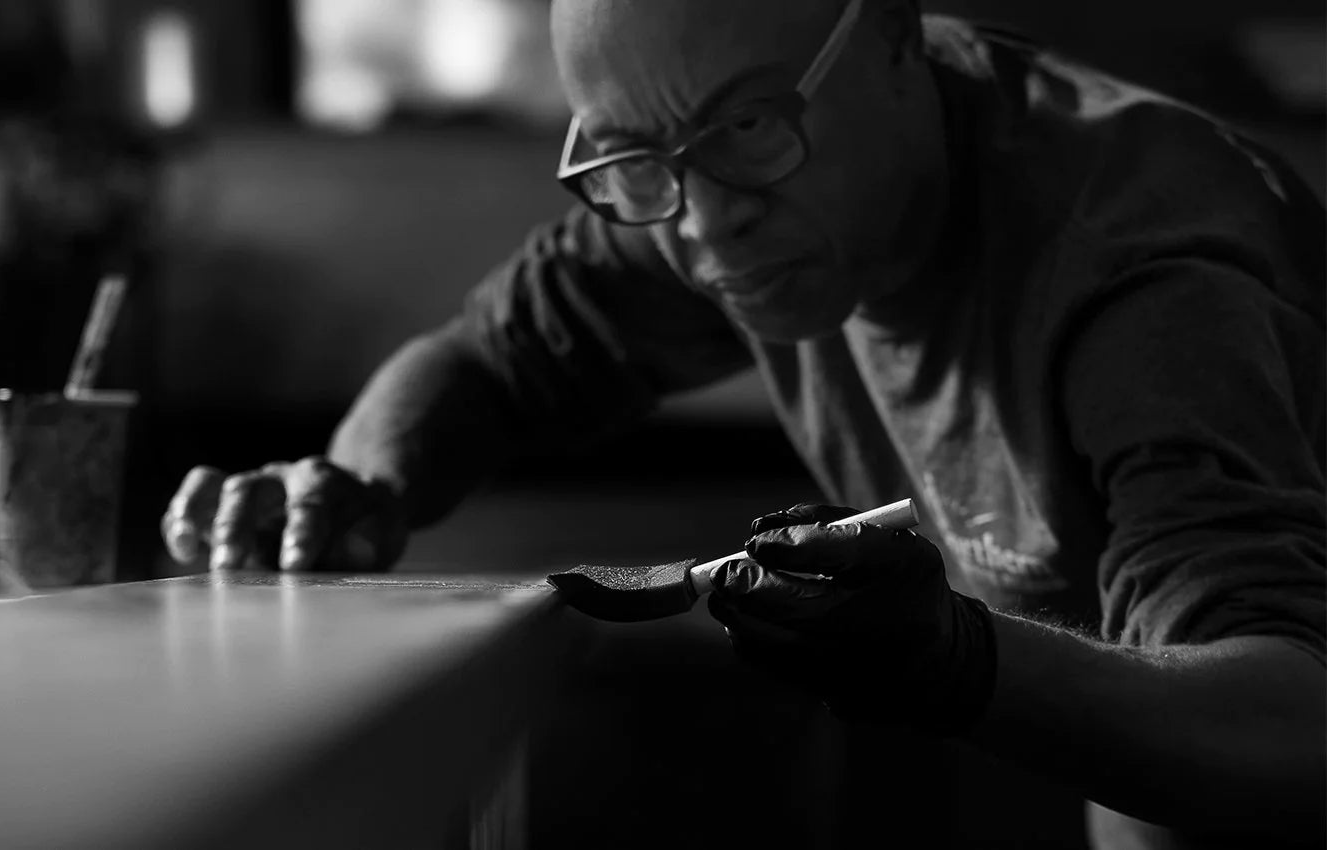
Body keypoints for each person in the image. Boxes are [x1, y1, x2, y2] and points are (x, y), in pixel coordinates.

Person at [161, 0, 1326, 846]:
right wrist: (353, 493)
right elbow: (485, 362)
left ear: (894, 42)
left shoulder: (1143, 277)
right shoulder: (701, 182)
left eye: (754, 131)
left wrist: (957, 656)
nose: (708, 230)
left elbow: (1289, 724)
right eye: (634, 163)